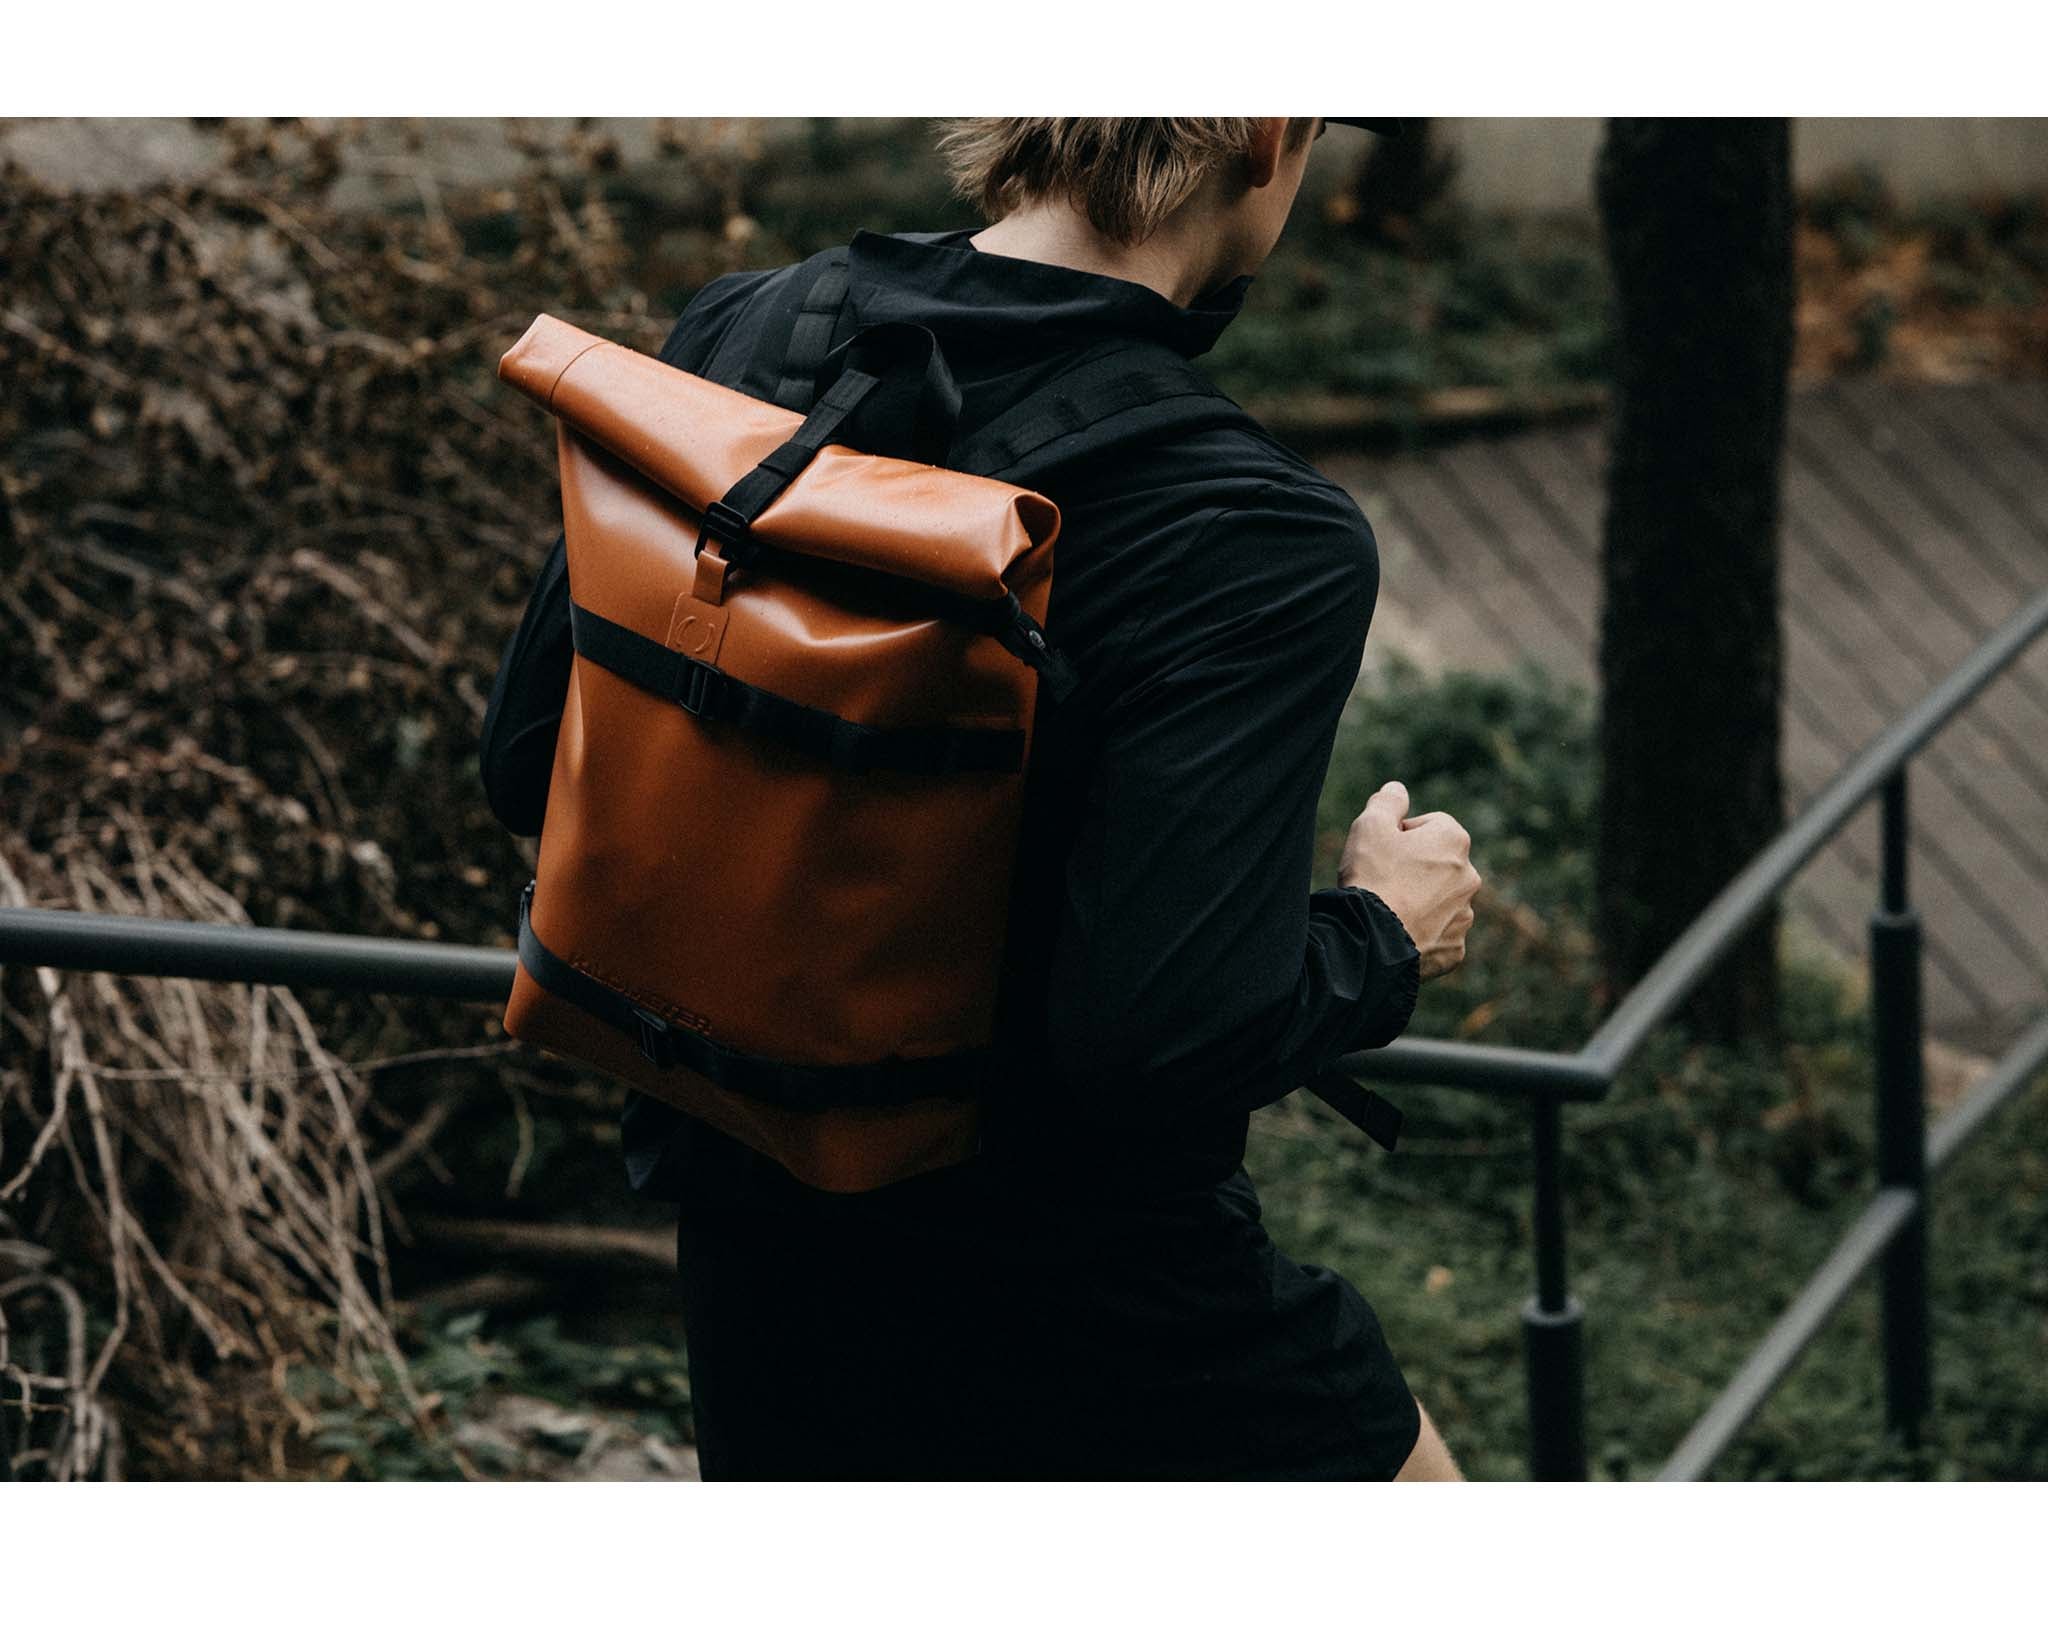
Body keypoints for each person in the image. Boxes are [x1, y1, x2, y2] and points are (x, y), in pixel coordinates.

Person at [480, 118, 1481, 1480]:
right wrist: (1383, 932)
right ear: (1264, 137)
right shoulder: (1248, 534)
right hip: (1097, 1313)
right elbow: (1155, 1043)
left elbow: (526, 755)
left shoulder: (744, 334)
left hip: (765, 1277)